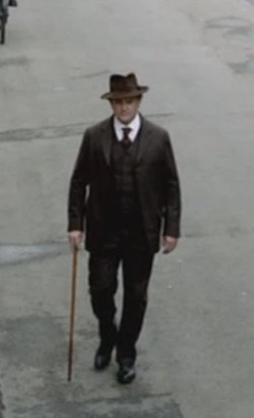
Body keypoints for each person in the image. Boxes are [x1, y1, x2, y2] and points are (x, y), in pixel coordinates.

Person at [67, 73, 181, 384]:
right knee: (100, 289)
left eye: (129, 102)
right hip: (104, 230)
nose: (124, 108)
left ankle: (126, 354)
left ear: (139, 102)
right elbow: (79, 181)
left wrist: (171, 228)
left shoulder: (158, 137)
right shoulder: (95, 136)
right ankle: (108, 334)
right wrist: (76, 224)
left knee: (136, 294)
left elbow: (171, 185)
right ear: (111, 104)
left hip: (141, 232)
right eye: (118, 103)